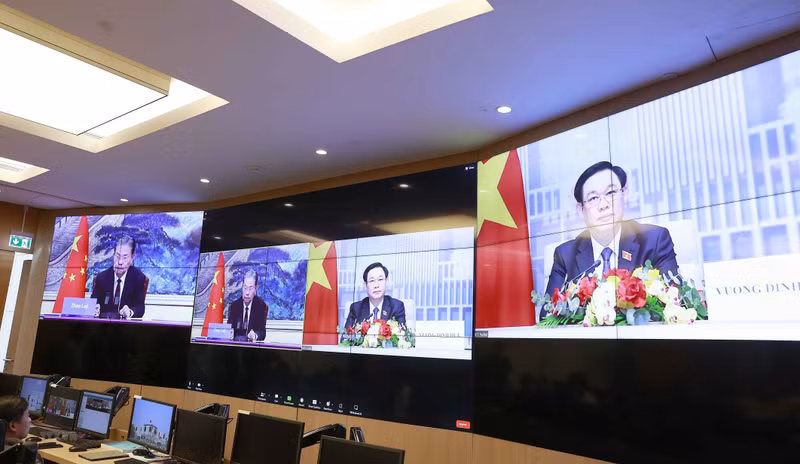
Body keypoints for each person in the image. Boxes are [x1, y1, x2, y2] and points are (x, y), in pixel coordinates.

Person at [543, 161, 680, 314]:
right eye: (593, 198)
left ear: (624, 194)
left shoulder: (654, 240)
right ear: (581, 210)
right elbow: (547, 314)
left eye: (611, 193)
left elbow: (676, 302)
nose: (604, 205)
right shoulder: (565, 255)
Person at [91, 236, 147, 319]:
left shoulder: (138, 278)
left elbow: (140, 308)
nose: (120, 262)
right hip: (103, 327)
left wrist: (130, 312)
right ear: (113, 255)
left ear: (132, 257)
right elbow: (92, 304)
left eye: (125, 257)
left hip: (126, 328)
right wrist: (95, 309)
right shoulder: (101, 278)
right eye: (117, 256)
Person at [343, 262, 406, 331]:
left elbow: (402, 336)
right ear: (365, 285)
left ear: (386, 282)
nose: (376, 285)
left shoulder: (397, 307)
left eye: (380, 279)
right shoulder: (356, 308)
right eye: (372, 281)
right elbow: (345, 338)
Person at [227, 270, 268, 342]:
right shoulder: (234, 306)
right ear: (242, 287)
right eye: (245, 288)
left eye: (250, 288)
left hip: (252, 349)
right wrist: (229, 333)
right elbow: (229, 328)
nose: (247, 293)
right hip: (235, 348)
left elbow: (262, 332)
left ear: (256, 288)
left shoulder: (261, 306)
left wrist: (255, 335)